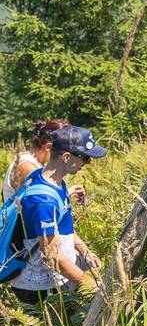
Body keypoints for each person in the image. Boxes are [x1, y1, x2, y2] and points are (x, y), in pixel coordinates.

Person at [9, 125, 105, 305]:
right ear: (66, 157)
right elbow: (51, 255)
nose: (86, 163)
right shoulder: (42, 200)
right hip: (40, 288)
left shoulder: (50, 179)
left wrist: (84, 251)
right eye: (85, 158)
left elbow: (61, 225)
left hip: (56, 279)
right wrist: (90, 284)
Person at [3, 120, 73, 203]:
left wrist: (69, 192)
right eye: (64, 150)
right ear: (48, 147)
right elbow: (41, 203)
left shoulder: (32, 161)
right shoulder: (28, 167)